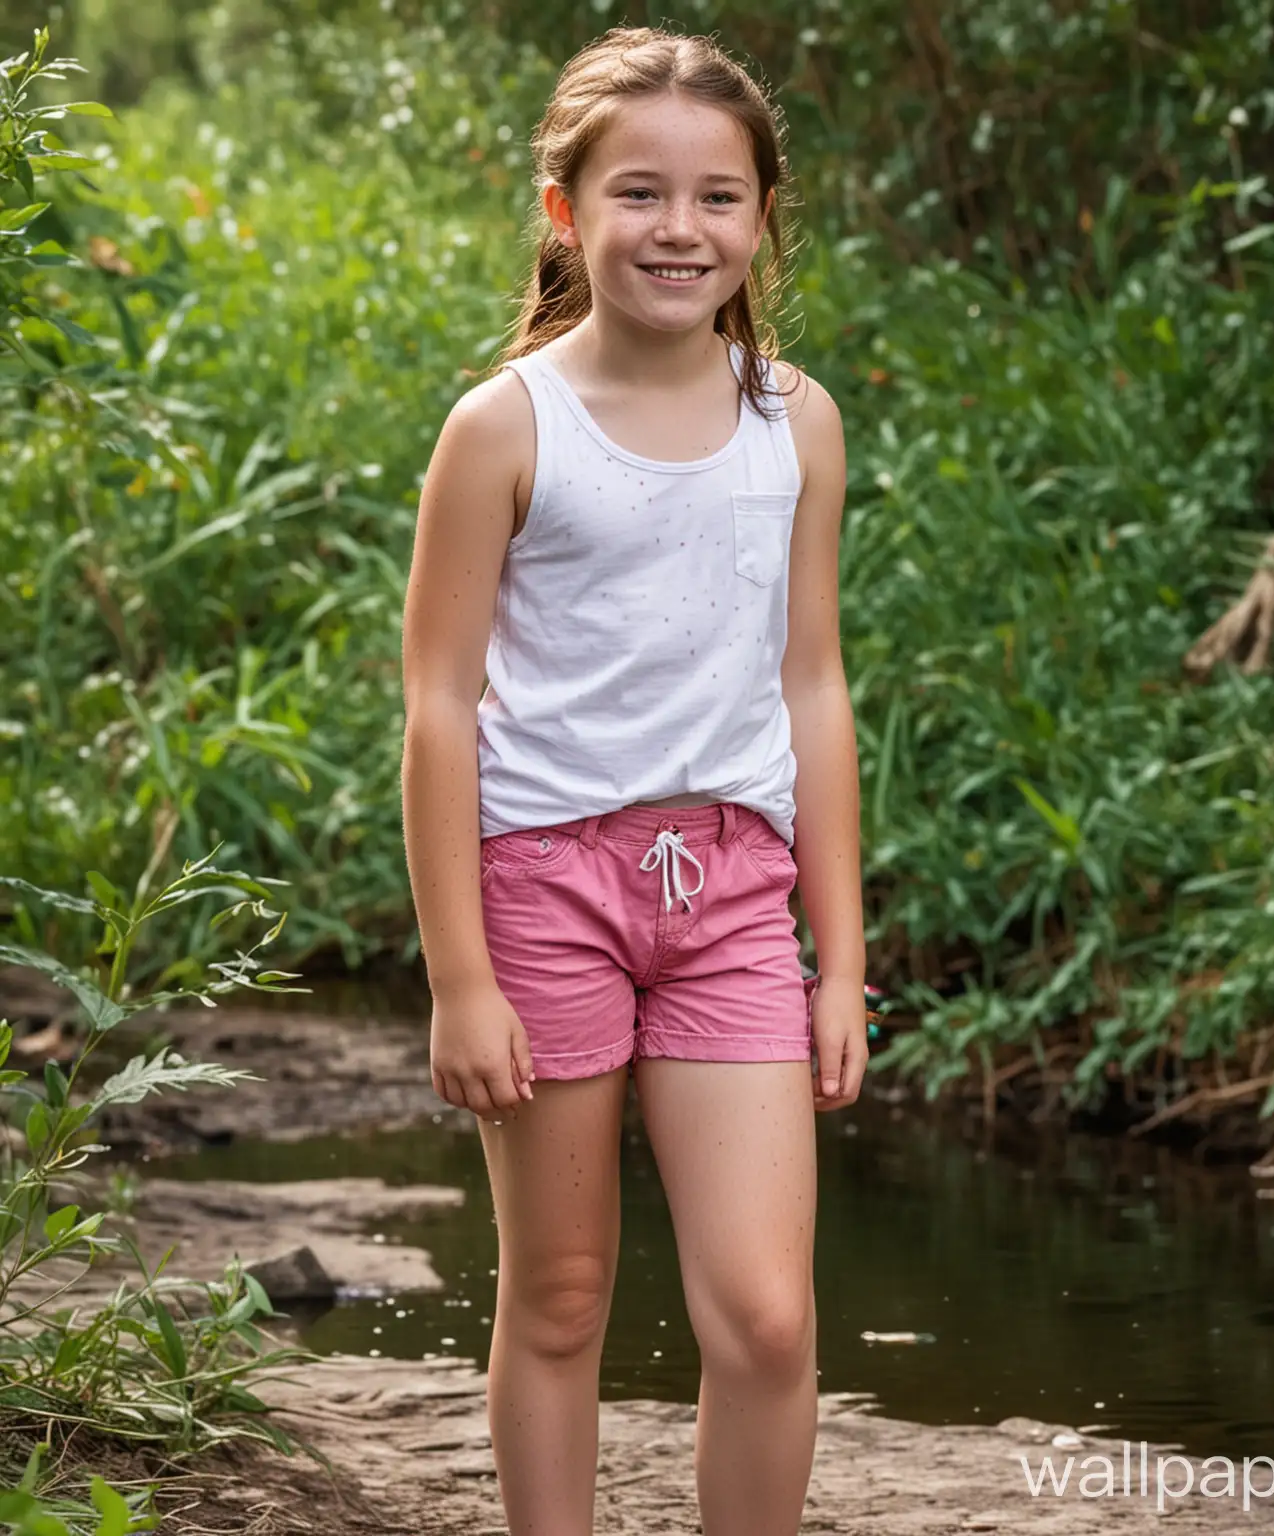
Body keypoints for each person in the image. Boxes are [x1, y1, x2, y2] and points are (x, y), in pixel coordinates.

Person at [399, 24, 866, 1536]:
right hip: (547, 891)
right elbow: (438, 708)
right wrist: (459, 977)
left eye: (720, 198)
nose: (682, 231)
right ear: (565, 211)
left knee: (768, 1317)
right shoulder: (503, 428)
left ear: (762, 219)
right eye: (641, 194)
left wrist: (842, 960)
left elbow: (813, 682)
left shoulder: (794, 421)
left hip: (733, 897)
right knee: (561, 1293)